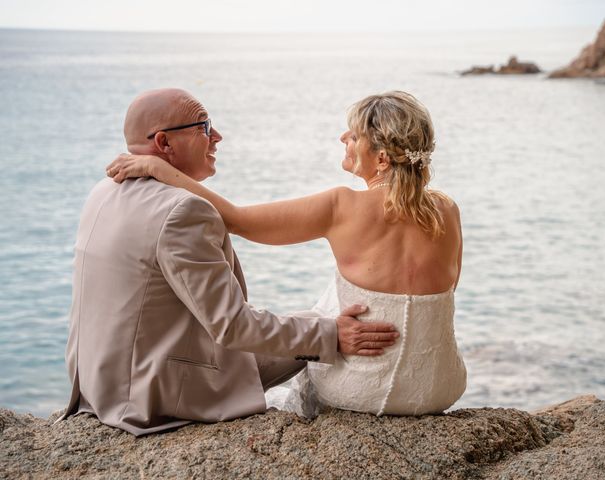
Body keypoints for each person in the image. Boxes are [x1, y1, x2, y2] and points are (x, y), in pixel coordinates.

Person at [57, 88, 399, 436]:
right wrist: (331, 334)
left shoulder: (104, 190)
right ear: (164, 143)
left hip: (96, 381)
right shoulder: (182, 211)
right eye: (204, 127)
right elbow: (232, 326)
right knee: (321, 326)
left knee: (306, 325)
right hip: (151, 393)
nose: (217, 137)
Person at [107, 90, 467, 417]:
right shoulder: (448, 210)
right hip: (438, 388)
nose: (343, 138)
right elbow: (445, 291)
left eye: (354, 136)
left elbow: (237, 220)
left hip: (363, 390)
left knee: (327, 308)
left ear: (383, 158)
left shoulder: (342, 205)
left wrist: (159, 169)